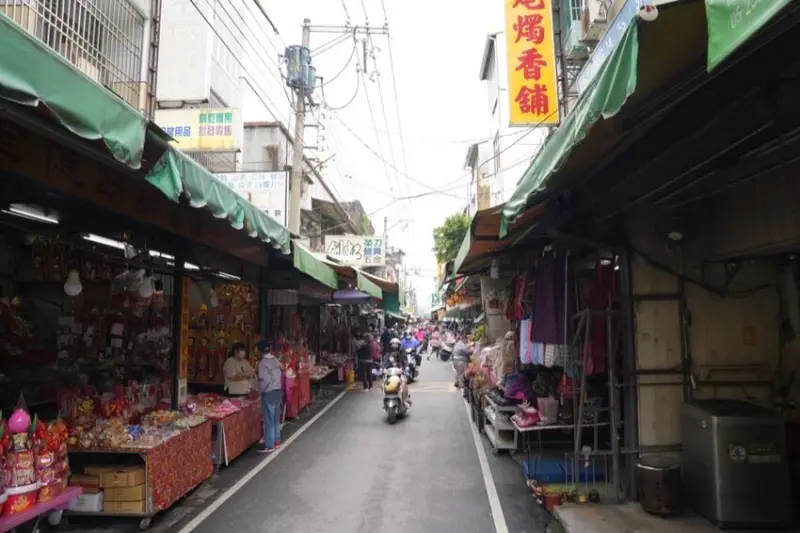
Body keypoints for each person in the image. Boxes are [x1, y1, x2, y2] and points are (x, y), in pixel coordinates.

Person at [257, 340, 283, 453]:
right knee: (276, 419)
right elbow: (281, 371)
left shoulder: (262, 363)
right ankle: (277, 442)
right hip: (278, 391)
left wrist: (260, 390)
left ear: (260, 351)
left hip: (268, 392)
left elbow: (265, 380)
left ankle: (269, 445)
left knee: (269, 421)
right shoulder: (275, 359)